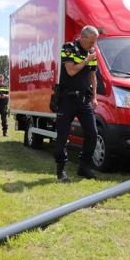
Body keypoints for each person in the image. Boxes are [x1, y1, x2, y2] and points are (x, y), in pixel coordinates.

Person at [54, 25, 99, 182]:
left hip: (84, 101)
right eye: (91, 41)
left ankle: (83, 167)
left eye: (95, 42)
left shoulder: (92, 53)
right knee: (62, 137)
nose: (93, 45)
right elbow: (71, 71)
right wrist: (86, 60)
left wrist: (94, 97)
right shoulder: (68, 48)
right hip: (67, 100)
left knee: (92, 134)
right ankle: (61, 171)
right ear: (83, 37)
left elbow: (93, 76)